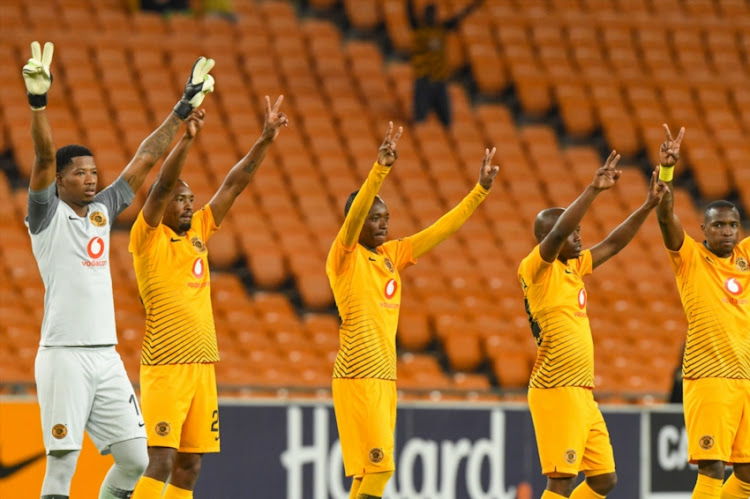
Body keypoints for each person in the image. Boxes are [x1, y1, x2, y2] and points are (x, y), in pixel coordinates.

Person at [22, 40, 215, 499]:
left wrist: (181, 108)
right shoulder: (46, 214)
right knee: (63, 464)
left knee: (136, 460)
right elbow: (44, 156)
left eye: (93, 172)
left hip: (106, 357)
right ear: (61, 180)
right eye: (80, 173)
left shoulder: (101, 212)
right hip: (64, 354)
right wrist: (38, 104)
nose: (91, 178)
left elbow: (145, 160)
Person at [326, 122, 498, 499]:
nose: (383, 223)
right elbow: (354, 217)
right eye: (375, 217)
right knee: (382, 468)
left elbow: (439, 231)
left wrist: (479, 192)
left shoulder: (392, 256)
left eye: (385, 217)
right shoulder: (344, 257)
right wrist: (380, 170)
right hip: (358, 377)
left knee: (368, 474)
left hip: (384, 378)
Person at [129, 95, 288, 499]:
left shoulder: (200, 229)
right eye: (180, 200)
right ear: (163, 206)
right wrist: (186, 140)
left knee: (190, 464)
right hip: (166, 365)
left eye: (190, 200)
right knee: (161, 460)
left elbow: (235, 183)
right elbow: (162, 184)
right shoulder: (147, 239)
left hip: (203, 365)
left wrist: (265, 139)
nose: (188, 205)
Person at [518, 151, 669, 499]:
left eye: (580, 232)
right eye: (574, 233)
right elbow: (558, 234)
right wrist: (593, 189)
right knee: (561, 481)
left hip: (583, 392)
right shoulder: (536, 270)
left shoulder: (575, 267)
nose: (578, 238)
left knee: (604, 480)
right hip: (555, 390)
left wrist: (647, 206)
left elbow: (613, 244)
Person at [655, 124, 750, 499]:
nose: (726, 232)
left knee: (746, 473)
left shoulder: (745, 256)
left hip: (745, 377)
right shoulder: (691, 257)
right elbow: (665, 217)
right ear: (704, 230)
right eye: (718, 225)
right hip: (708, 377)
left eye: (733, 225)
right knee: (712, 467)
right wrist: (667, 172)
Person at [406, 0, 482, 127]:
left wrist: (475, 5)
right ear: (424, 15)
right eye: (428, 14)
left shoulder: (441, 30)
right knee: (420, 121)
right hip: (423, 80)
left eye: (433, 14)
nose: (431, 16)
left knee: (447, 122)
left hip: (440, 81)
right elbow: (410, 14)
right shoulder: (419, 29)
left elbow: (459, 17)